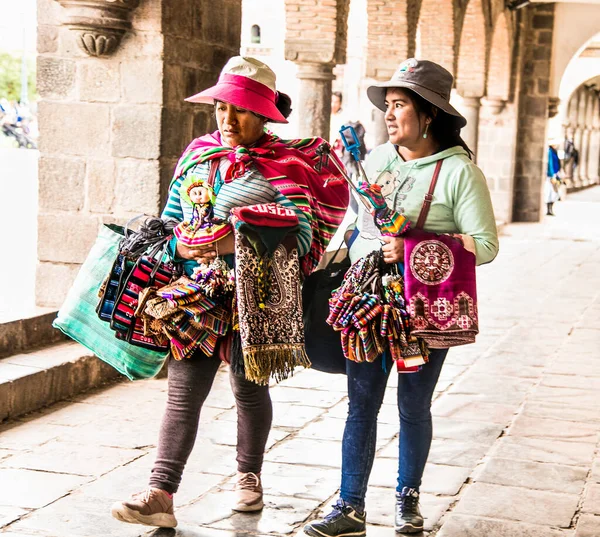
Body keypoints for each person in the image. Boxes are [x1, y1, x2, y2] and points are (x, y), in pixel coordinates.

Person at [110, 56, 348, 529]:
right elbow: (172, 220)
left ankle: (248, 476)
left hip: (259, 295)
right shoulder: (199, 154)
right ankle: (161, 493)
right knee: (183, 391)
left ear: (264, 114)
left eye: (240, 109)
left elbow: (302, 238)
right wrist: (189, 242)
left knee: (248, 387)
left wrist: (235, 238)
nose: (229, 119)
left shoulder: (289, 165)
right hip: (197, 294)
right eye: (222, 108)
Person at [304, 58, 499, 537]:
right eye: (387, 106)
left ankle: (407, 502)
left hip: (423, 309)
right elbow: (361, 223)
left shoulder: (459, 173)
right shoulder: (376, 161)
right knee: (360, 404)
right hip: (369, 304)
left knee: (414, 406)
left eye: (400, 106)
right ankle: (349, 506)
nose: (388, 115)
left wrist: (414, 244)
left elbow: (487, 245)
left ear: (429, 113)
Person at [546, 143, 561, 215]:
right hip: (551, 175)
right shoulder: (549, 151)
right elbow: (550, 164)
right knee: (551, 192)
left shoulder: (554, 151)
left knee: (554, 193)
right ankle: (549, 209)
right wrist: (552, 175)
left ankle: (550, 209)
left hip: (555, 174)